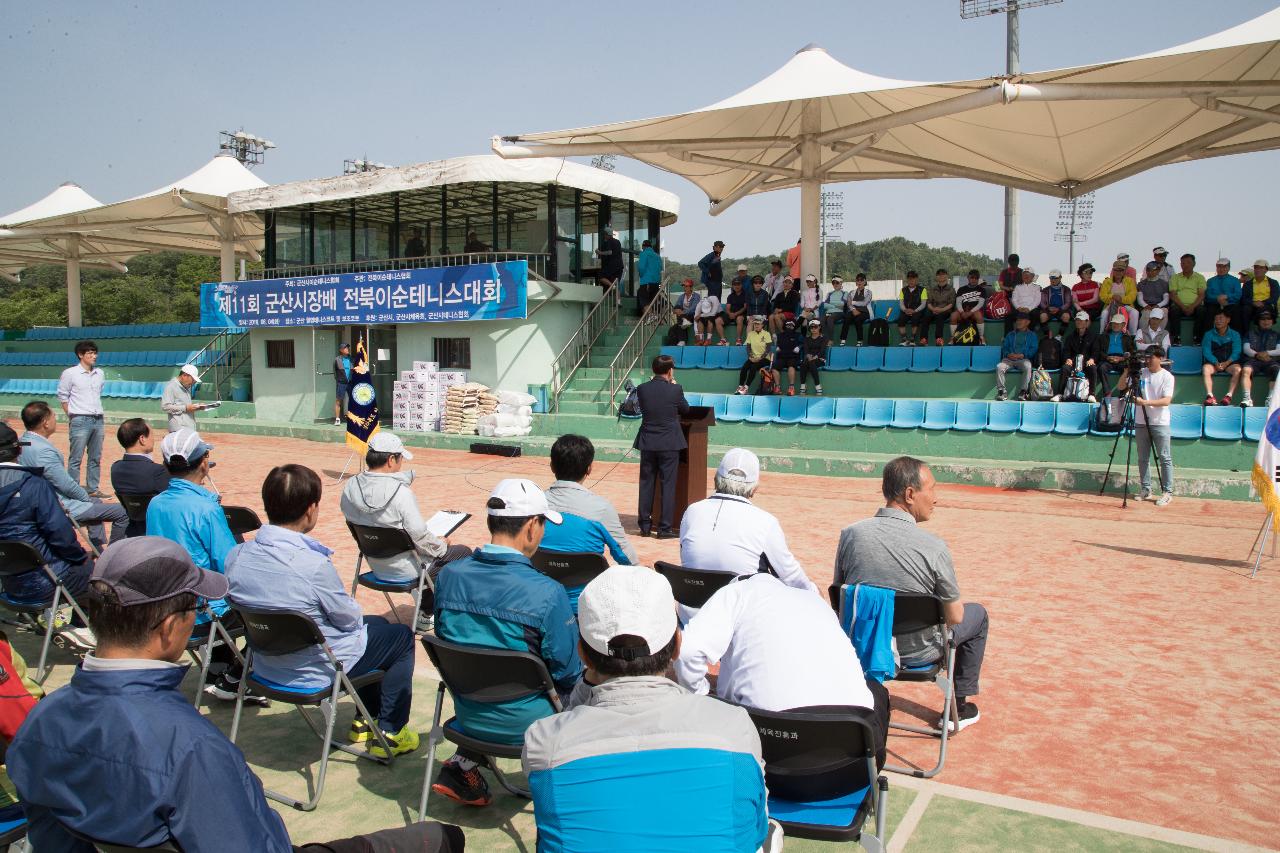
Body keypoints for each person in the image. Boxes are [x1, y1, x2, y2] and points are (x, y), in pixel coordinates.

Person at [7, 536, 464, 853]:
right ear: (170, 627)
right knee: (441, 840)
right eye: (193, 607)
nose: (196, 615)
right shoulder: (190, 747)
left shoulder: (39, 722)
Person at [523, 565, 771, 851]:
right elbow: (752, 830)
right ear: (677, 645)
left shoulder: (543, 741)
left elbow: (569, 726)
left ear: (583, 654)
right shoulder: (734, 728)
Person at [229, 464, 421, 756]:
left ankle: (365, 719)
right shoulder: (312, 564)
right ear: (310, 510)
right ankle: (392, 731)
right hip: (313, 670)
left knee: (376, 628)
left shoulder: (237, 556)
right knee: (400, 638)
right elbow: (349, 618)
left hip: (267, 664)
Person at [430, 479, 582, 807]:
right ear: (531, 527)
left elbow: (450, 643)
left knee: (485, 662)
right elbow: (568, 672)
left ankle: (464, 763)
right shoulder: (547, 593)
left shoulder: (448, 577)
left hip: (469, 715)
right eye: (542, 524)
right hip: (530, 725)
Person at [834, 457, 989, 732]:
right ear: (909, 494)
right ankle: (959, 708)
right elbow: (955, 616)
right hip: (918, 654)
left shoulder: (850, 535)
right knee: (977, 615)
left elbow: (841, 597)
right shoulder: (934, 547)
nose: (936, 498)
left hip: (863, 644)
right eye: (932, 489)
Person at [676, 571, 887, 768]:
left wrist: (700, 695)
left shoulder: (734, 593)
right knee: (877, 690)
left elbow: (686, 651)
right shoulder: (813, 600)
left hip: (770, 763)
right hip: (851, 766)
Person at [145, 428, 262, 703]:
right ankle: (235, 678)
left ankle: (218, 668)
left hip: (167, 602)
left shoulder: (155, 503)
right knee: (270, 611)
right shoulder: (205, 508)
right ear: (203, 462)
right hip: (203, 609)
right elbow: (227, 561)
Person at [340, 431, 472, 626]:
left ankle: (427, 607)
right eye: (401, 458)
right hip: (407, 569)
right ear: (391, 460)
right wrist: (440, 545)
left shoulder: (349, 488)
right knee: (461, 553)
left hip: (375, 565)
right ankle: (429, 612)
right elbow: (419, 534)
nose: (402, 463)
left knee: (421, 551)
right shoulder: (402, 494)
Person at [679, 449, 818, 621]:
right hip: (739, 622)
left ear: (716, 479)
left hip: (691, 618)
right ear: (754, 488)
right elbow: (791, 577)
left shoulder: (691, 512)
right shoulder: (766, 522)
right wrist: (815, 594)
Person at [0, 422, 95, 649]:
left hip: (8, 583)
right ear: (19, 451)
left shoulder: (33, 484)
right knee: (97, 574)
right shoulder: (34, 485)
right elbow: (60, 534)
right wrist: (79, 557)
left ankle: (59, 623)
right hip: (45, 580)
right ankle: (73, 628)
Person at [19, 401, 128, 549]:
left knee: (96, 502)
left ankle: (98, 548)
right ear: (45, 422)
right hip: (58, 506)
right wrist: (85, 498)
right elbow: (65, 484)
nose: (55, 420)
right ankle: (112, 554)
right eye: (53, 416)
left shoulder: (23, 442)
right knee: (122, 512)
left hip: (39, 502)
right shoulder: (43, 451)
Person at [545, 434, 638, 564]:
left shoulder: (532, 504)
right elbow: (627, 558)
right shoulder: (602, 509)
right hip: (588, 583)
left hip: (538, 581)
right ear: (589, 469)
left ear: (552, 466)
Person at [633, 354, 690, 538]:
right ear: (670, 370)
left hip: (648, 442)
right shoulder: (676, 389)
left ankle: (645, 526)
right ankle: (664, 529)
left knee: (646, 483)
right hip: (669, 443)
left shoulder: (642, 389)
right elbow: (685, 409)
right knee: (668, 485)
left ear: (653, 370)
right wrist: (673, 385)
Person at [1117, 348, 1175, 505]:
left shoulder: (1167, 377)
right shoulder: (1140, 372)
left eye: (1151, 358)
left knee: (1164, 457)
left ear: (1160, 358)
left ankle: (1168, 491)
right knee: (1143, 458)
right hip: (1141, 422)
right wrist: (1127, 371)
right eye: (1146, 358)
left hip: (1160, 422)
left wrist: (1144, 402)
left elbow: (1166, 401)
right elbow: (1121, 387)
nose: (1147, 361)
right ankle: (1146, 489)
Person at [57, 339, 106, 497]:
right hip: (79, 419)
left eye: (95, 352)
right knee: (76, 457)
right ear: (80, 355)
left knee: (95, 457)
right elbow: (63, 397)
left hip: (98, 419)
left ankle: (93, 488)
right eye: (90, 353)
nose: (94, 356)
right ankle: (73, 490)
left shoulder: (100, 373)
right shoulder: (70, 373)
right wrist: (72, 415)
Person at [109, 418, 171, 538]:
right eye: (151, 435)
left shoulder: (115, 468)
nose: (153, 439)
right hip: (158, 531)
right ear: (142, 439)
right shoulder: (157, 471)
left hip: (133, 530)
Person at [1056, 311, 1101, 402]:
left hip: (1086, 363)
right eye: (1077, 320)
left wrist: (1092, 359)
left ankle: (1091, 394)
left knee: (1093, 368)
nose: (1078, 322)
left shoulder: (1093, 337)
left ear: (1087, 322)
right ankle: (1060, 394)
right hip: (1073, 363)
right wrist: (1067, 359)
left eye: (1081, 320)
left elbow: (1096, 351)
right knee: (1065, 368)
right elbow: (1066, 351)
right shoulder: (1070, 337)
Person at [1202, 309, 1243, 406]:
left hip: (1229, 364)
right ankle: (1210, 396)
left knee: (1238, 369)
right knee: (1205, 369)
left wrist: (1227, 363)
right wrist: (1215, 362)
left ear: (1228, 320)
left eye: (1221, 318)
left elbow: (1237, 351)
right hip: (1213, 364)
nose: (1218, 321)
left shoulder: (1235, 334)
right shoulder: (1208, 334)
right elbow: (1206, 351)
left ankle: (1228, 396)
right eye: (1216, 319)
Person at [995, 312, 1038, 401]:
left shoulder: (1032, 335)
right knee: (999, 366)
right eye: (1017, 320)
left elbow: (1034, 349)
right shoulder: (1010, 334)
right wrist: (1008, 354)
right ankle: (1002, 392)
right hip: (1009, 359)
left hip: (1023, 359)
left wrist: (1023, 355)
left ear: (1027, 322)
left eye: (1021, 320)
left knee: (1028, 366)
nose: (1018, 322)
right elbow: (1005, 348)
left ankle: (1023, 392)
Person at [1241, 311, 1280, 408]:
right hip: (1253, 360)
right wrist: (1257, 355)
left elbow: (1279, 350)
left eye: (1269, 319)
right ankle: (1247, 399)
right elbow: (1246, 349)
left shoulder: (1277, 335)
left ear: (1273, 321)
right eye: (1263, 319)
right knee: (1246, 370)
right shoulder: (1249, 333)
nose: (1266, 321)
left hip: (1270, 361)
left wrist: (1267, 353)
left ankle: (1270, 399)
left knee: (1277, 370)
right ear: (1258, 321)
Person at [1168, 253, 1207, 345]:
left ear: (1194, 264)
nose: (1185, 265)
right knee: (1174, 310)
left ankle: (1197, 338)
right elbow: (1173, 295)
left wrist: (1192, 307)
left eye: (1188, 262)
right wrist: (1183, 307)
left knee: (1202, 311)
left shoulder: (1200, 277)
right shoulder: (1175, 277)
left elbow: (1201, 295)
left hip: (1195, 306)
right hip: (1179, 305)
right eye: (1183, 263)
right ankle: (1176, 338)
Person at [1099, 312, 1137, 394]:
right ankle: (1107, 392)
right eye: (1113, 323)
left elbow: (1132, 352)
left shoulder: (1127, 338)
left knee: (1126, 368)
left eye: (1118, 323)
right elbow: (1099, 351)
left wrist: (1122, 358)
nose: (1115, 325)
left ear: (1123, 325)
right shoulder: (1103, 336)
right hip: (1107, 359)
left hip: (1122, 359)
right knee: (1102, 367)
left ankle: (1123, 393)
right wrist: (1107, 357)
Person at [161, 364, 204, 432]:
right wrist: (185, 408)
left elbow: (185, 406)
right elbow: (165, 407)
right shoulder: (171, 386)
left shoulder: (186, 387)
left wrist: (197, 407)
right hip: (178, 430)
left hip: (188, 428)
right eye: (192, 379)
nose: (194, 382)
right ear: (184, 375)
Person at [736, 315, 773, 395]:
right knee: (744, 367)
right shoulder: (751, 334)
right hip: (753, 358)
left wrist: (760, 358)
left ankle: (746, 388)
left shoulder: (766, 334)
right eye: (755, 324)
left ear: (762, 325)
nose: (756, 325)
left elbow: (768, 348)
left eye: (758, 324)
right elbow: (748, 347)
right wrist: (750, 357)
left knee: (753, 367)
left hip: (765, 359)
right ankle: (740, 386)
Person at [1205, 258, 1243, 333]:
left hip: (1230, 304)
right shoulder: (1210, 281)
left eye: (1224, 267)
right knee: (1208, 313)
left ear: (1228, 268)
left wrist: (1226, 297)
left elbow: (1238, 295)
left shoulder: (1235, 280)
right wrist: (1218, 298)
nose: (1221, 269)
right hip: (1214, 304)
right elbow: (1208, 295)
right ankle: (1207, 339)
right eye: (1219, 267)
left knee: (1237, 313)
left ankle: (1236, 338)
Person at [1240, 259, 1279, 331]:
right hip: (1252, 306)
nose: (1257, 270)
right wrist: (1253, 303)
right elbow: (1243, 298)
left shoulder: (1273, 282)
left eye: (1261, 268)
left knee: (1264, 310)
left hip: (1267, 305)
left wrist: (1263, 303)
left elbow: (1274, 297)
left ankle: (1266, 335)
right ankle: (1246, 333)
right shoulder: (1248, 284)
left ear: (1266, 270)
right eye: (1256, 268)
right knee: (1245, 309)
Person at [1100, 260, 1138, 334]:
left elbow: (1132, 296)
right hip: (1110, 305)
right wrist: (1113, 296)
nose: (1118, 272)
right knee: (1104, 313)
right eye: (1116, 270)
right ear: (1113, 270)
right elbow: (1102, 296)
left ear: (1124, 271)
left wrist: (1121, 299)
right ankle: (1102, 334)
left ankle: (1132, 335)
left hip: (1126, 305)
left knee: (1135, 312)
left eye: (1121, 270)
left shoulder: (1130, 281)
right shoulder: (1107, 281)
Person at [953, 269, 988, 344]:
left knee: (978, 315)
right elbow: (958, 303)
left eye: (976, 278)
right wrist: (962, 312)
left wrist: (970, 312)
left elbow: (980, 304)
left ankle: (981, 338)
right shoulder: (961, 289)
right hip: (963, 312)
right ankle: (953, 338)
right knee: (953, 316)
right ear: (968, 277)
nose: (974, 280)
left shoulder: (982, 290)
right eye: (972, 277)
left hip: (975, 312)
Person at [925, 269, 956, 346]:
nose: (941, 276)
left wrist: (941, 310)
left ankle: (939, 339)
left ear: (946, 276)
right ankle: (924, 339)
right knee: (926, 316)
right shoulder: (932, 289)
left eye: (943, 274)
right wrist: (933, 309)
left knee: (940, 316)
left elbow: (951, 304)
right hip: (934, 310)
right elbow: (928, 302)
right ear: (936, 277)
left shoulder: (951, 289)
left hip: (946, 311)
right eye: (939, 274)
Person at [773, 317, 804, 396]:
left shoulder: (798, 335)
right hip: (782, 357)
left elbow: (803, 343)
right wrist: (777, 347)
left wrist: (799, 347)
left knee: (791, 366)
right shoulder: (780, 335)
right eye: (788, 325)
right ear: (785, 326)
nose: (789, 327)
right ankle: (777, 387)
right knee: (774, 367)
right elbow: (778, 344)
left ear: (794, 327)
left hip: (793, 357)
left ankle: (791, 388)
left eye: (791, 326)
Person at [1136, 261, 1171, 330]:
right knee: (1146, 314)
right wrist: (1145, 305)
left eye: (1153, 270)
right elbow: (1140, 299)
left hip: (1160, 307)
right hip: (1146, 307)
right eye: (1148, 270)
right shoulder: (1141, 284)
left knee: (1164, 311)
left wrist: (1158, 306)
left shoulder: (1164, 284)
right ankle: (1143, 335)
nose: (1150, 272)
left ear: (1158, 271)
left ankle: (1159, 334)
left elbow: (1166, 299)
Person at [843, 272, 874, 345]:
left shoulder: (869, 292)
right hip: (855, 311)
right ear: (856, 282)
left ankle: (860, 341)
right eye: (858, 280)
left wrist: (852, 302)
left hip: (865, 312)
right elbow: (848, 304)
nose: (859, 282)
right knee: (847, 317)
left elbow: (864, 303)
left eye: (861, 280)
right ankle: (843, 340)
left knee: (858, 319)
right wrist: (853, 309)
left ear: (864, 281)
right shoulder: (851, 292)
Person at [798, 319, 827, 395]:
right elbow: (806, 350)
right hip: (809, 359)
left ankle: (814, 385)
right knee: (804, 363)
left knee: (809, 362)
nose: (813, 329)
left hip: (820, 359)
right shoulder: (807, 339)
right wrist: (808, 356)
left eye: (815, 327)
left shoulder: (823, 338)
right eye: (811, 327)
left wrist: (815, 357)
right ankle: (806, 385)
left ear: (819, 327)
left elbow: (822, 351)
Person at [1039, 270, 1073, 337]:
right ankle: (1047, 335)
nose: (1053, 280)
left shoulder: (1066, 289)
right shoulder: (1045, 289)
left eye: (1055, 278)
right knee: (1042, 316)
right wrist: (1048, 308)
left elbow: (1068, 303)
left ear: (1060, 277)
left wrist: (1059, 309)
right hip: (1049, 309)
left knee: (1066, 316)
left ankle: (1059, 336)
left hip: (1062, 310)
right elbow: (1041, 302)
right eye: (1051, 278)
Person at [1009, 267, 1042, 334]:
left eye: (1028, 274)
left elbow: (1037, 300)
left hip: (1031, 309)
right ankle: (1008, 336)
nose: (1026, 276)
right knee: (1008, 316)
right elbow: (1014, 299)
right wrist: (1018, 308)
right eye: (1024, 274)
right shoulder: (1017, 287)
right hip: (1019, 309)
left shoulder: (1037, 287)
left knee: (1035, 314)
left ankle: (1030, 334)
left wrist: (1029, 309)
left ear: (1032, 276)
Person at [897, 270, 926, 345]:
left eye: (913, 279)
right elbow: (901, 303)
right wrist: (905, 310)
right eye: (909, 279)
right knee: (900, 320)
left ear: (917, 280)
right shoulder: (903, 290)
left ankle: (912, 340)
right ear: (907, 280)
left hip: (917, 311)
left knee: (915, 319)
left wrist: (915, 311)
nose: (911, 281)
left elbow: (923, 304)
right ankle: (904, 339)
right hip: (906, 311)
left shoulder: (923, 290)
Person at [636, 238, 663, 315]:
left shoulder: (644, 254)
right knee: (652, 302)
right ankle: (653, 319)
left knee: (644, 301)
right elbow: (660, 268)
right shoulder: (657, 256)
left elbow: (641, 267)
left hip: (646, 282)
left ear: (643, 247)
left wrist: (641, 275)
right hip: (656, 283)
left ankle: (650, 316)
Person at [820, 275, 848, 341]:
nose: (835, 284)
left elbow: (843, 304)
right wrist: (835, 305)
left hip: (839, 312)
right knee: (821, 320)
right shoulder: (829, 293)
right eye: (833, 283)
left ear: (841, 283)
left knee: (830, 319)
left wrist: (831, 303)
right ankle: (824, 339)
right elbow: (825, 305)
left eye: (837, 283)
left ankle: (830, 340)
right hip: (829, 312)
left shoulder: (845, 293)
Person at [724, 273, 749, 343]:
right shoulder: (730, 296)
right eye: (735, 284)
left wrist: (735, 314)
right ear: (732, 286)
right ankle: (723, 339)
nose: (737, 286)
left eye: (738, 284)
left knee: (739, 318)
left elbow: (745, 307)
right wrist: (730, 314)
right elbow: (727, 308)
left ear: (741, 285)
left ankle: (738, 339)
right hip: (731, 314)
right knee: (718, 320)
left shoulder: (746, 295)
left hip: (742, 314)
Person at [334, 342, 352, 425]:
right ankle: (337, 419)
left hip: (350, 382)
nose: (347, 349)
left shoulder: (351, 359)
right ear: (341, 350)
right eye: (345, 348)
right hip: (341, 383)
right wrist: (339, 381)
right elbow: (335, 372)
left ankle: (351, 417)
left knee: (352, 400)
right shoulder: (337, 359)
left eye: (347, 347)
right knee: (339, 400)